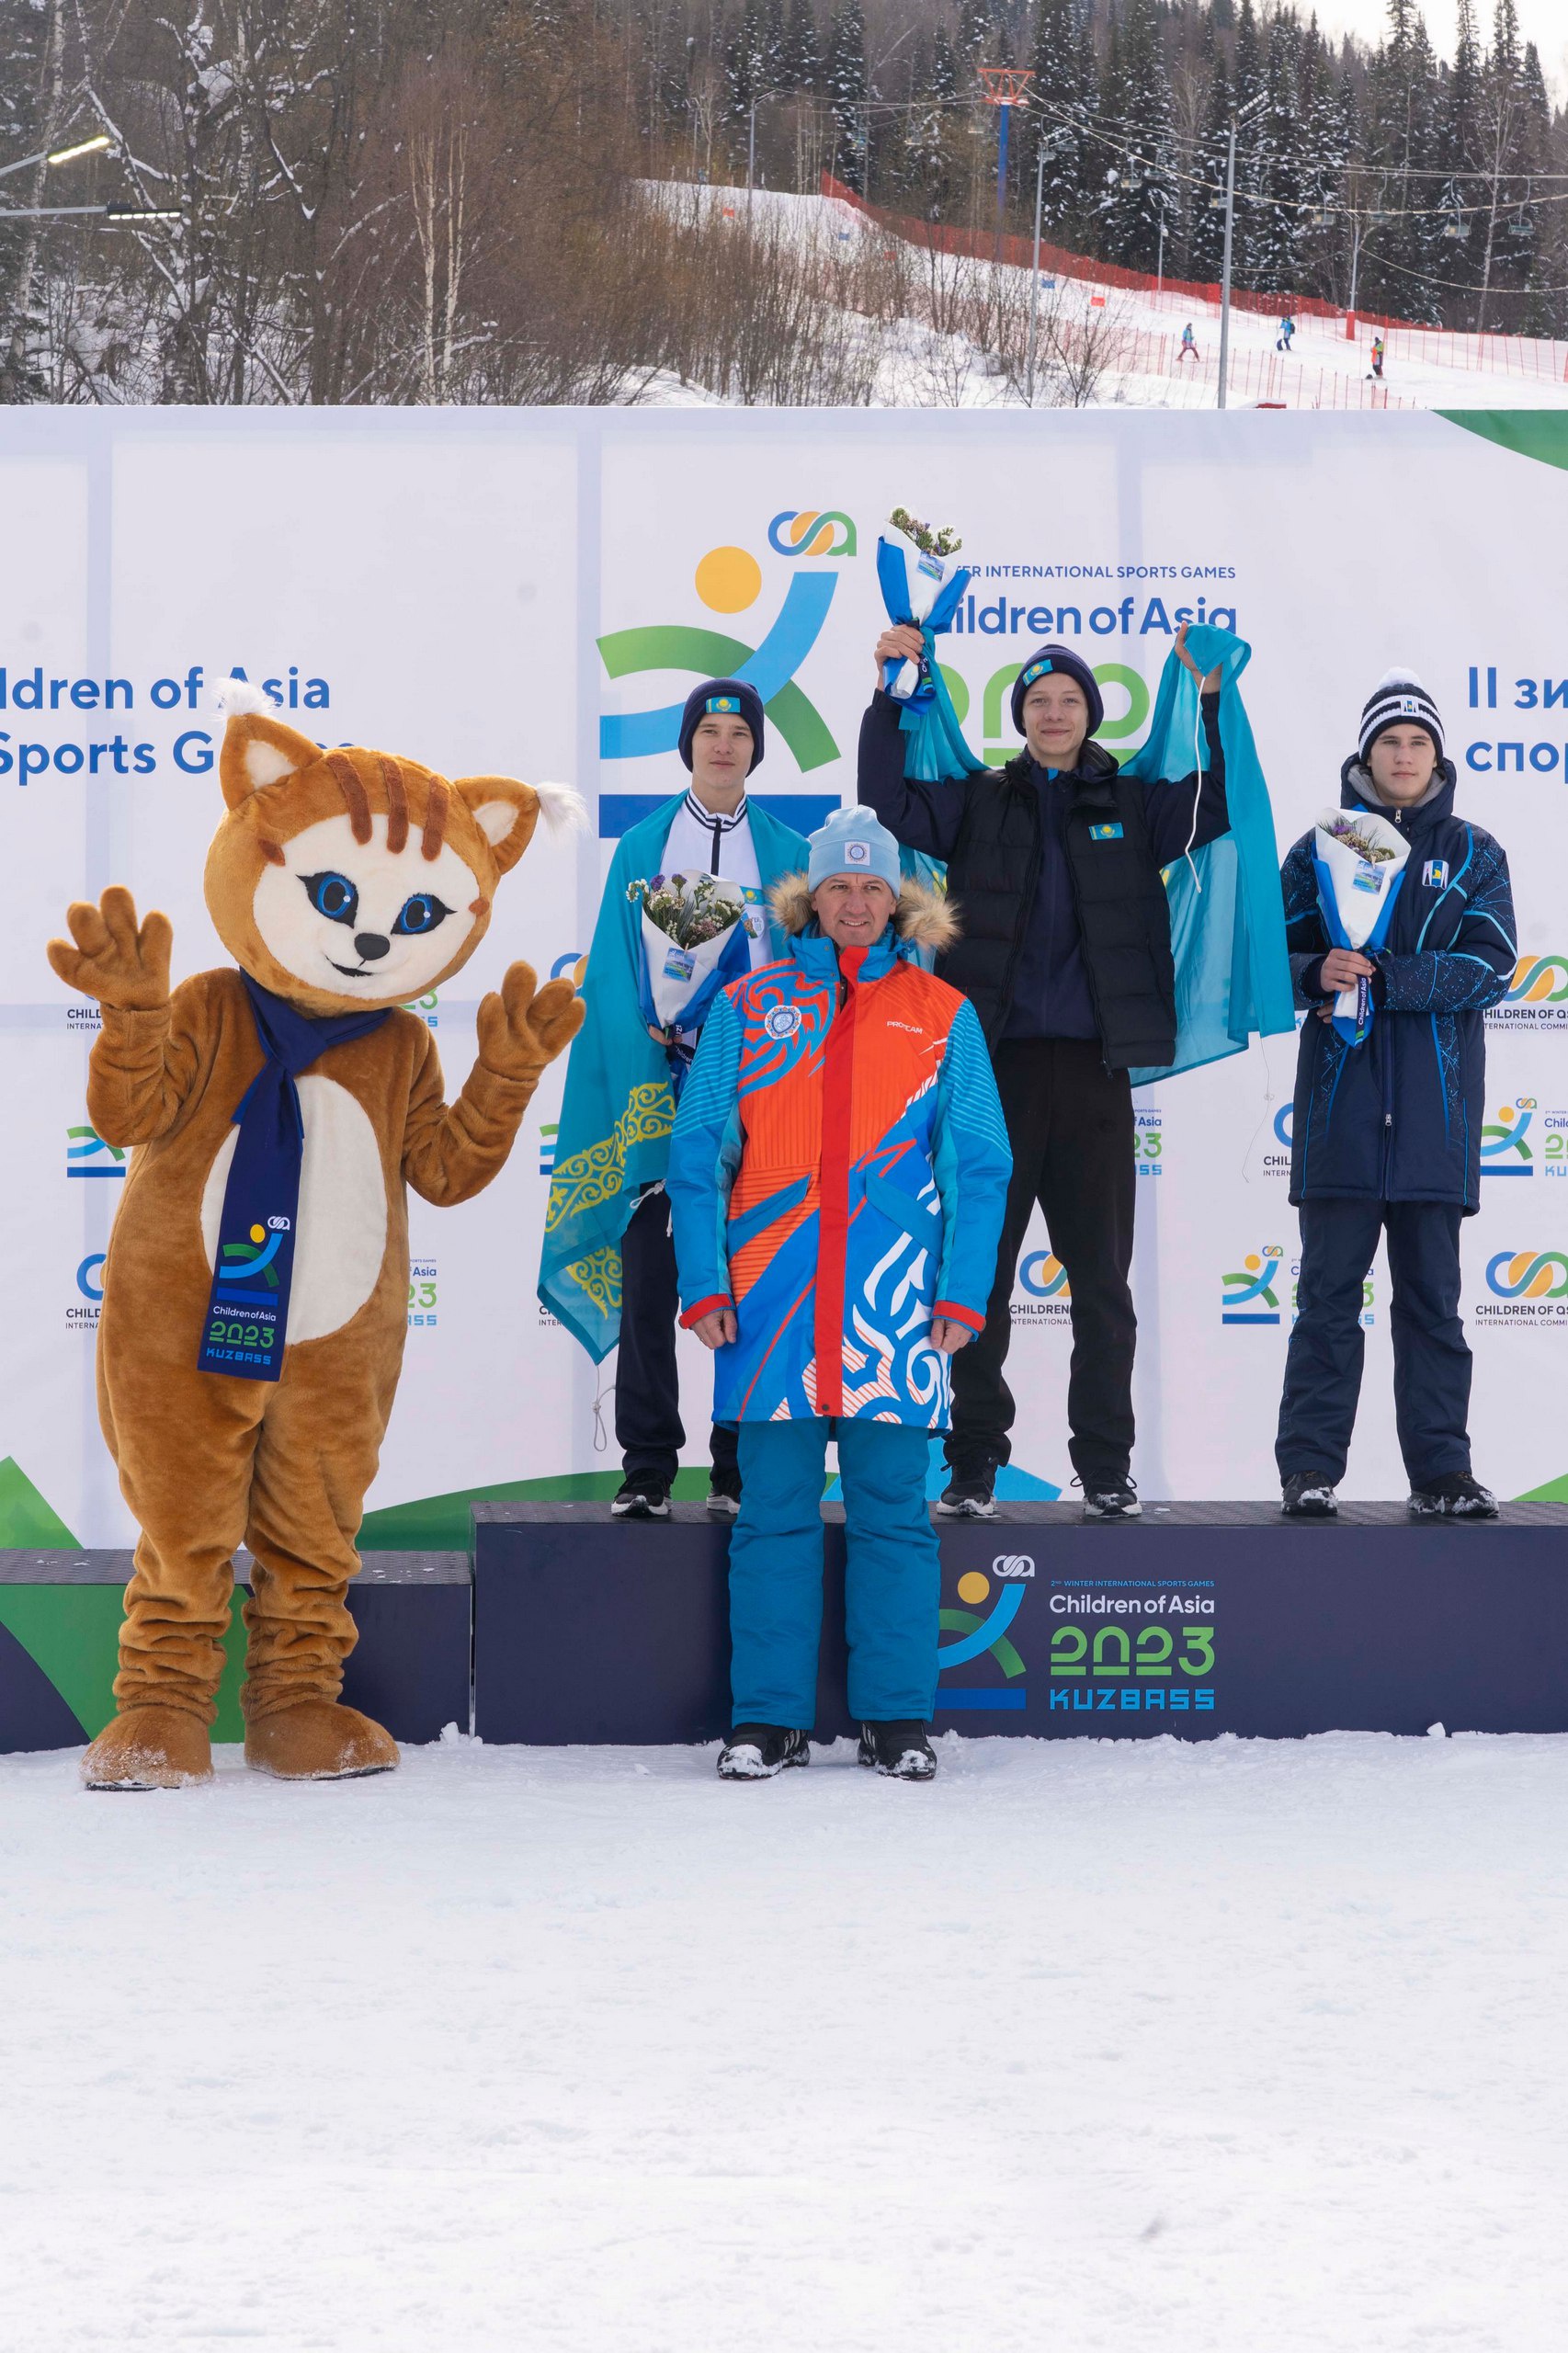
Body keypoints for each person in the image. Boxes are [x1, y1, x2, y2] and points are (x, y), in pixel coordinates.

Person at [667, 807, 1010, 1782]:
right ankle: (767, 1719)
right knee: (770, 1513)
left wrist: (961, 1292)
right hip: (769, 1301)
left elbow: (978, 1162)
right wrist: (703, 1280)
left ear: (896, 901)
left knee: (892, 1516)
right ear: (808, 899)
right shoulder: (747, 1003)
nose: (854, 902)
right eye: (837, 887)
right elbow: (697, 1154)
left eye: (871, 888)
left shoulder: (942, 1013)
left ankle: (895, 1717)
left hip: (890, 1308)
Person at [861, 624, 1225, 1522]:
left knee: (1100, 1283)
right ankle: (973, 1461)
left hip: (1096, 1076)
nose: (1052, 712)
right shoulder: (981, 800)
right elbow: (885, 800)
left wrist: (1210, 702)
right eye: (1035, 701)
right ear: (1017, 716)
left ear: (1089, 714)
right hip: (990, 1072)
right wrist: (885, 694)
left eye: (1067, 700)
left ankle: (1104, 1466)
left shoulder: (1133, 800)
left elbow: (1211, 804)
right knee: (976, 1278)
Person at [539, 678, 810, 1522]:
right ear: (687, 744)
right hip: (666, 1099)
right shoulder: (643, 846)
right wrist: (652, 1051)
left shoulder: (790, 851)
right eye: (709, 731)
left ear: (757, 749)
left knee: (756, 1284)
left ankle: (734, 1464)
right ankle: (648, 1466)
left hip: (764, 1100)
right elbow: (616, 977)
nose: (723, 745)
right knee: (654, 1278)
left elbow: (810, 978)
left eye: (739, 733)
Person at [1276, 672, 1515, 1520]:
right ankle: (1308, 1470)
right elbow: (1275, 959)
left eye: (1418, 743)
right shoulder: (1320, 847)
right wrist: (1316, 972)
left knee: (1432, 1311)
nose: (1404, 756)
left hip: (1431, 1130)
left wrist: (1389, 977)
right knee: (1327, 1308)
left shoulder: (1477, 852)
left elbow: (1493, 968)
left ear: (1436, 755)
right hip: (1340, 1120)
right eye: (1390, 742)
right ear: (1367, 754)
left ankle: (1442, 1472)